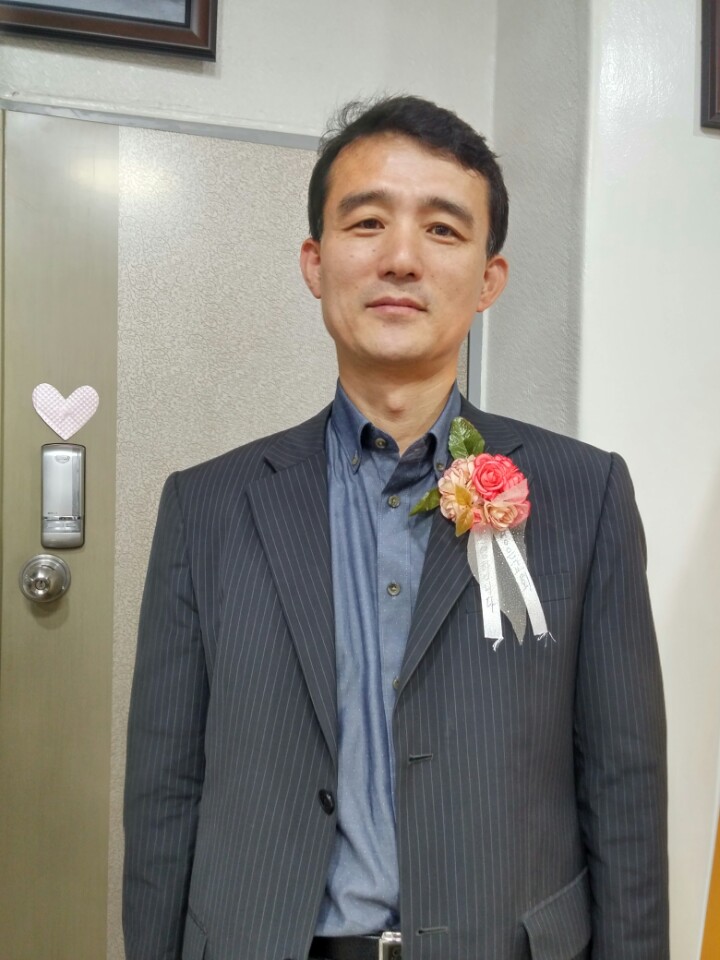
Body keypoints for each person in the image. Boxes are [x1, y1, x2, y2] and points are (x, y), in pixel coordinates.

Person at [123, 96, 668, 960]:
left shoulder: (584, 494)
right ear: (316, 261)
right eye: (367, 222)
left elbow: (624, 788)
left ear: (489, 279)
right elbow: (165, 787)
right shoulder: (208, 507)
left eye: (443, 230)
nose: (402, 258)